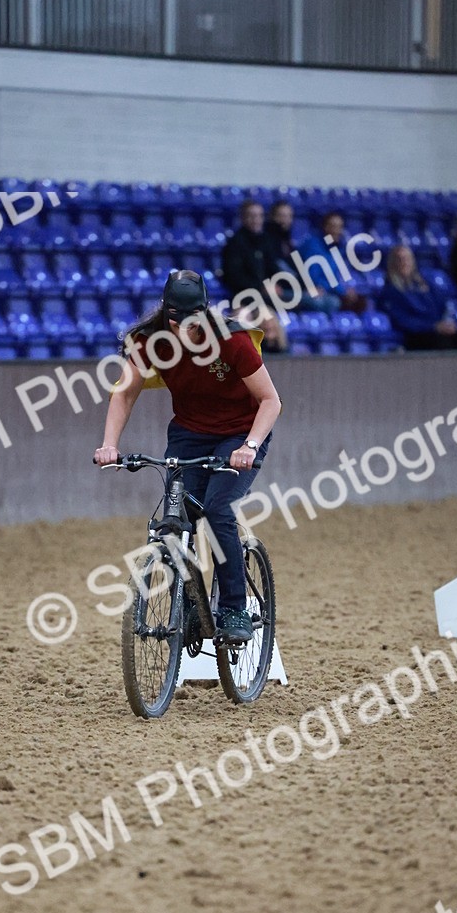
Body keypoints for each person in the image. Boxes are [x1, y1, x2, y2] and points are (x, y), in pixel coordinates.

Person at [94, 270, 282, 643]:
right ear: (166, 313)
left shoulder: (231, 340)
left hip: (239, 433)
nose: (184, 330)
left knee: (217, 510)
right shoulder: (150, 342)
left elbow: (270, 401)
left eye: (193, 321)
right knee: (176, 519)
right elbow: (125, 393)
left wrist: (249, 446)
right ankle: (193, 603)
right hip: (189, 435)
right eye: (177, 320)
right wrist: (109, 444)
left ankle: (233, 606)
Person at [221, 200, 287, 351]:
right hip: (242, 299)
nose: (255, 220)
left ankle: (283, 358)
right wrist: (261, 287)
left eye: (259, 216)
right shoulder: (234, 244)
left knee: (272, 325)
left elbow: (274, 269)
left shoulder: (266, 241)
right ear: (243, 218)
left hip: (265, 300)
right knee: (242, 322)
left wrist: (276, 283)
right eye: (251, 216)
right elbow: (233, 277)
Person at [380, 246, 457, 351]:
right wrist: (432, 327)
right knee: (442, 343)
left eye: (407, 259)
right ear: (393, 263)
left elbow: (441, 305)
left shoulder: (424, 286)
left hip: (434, 329)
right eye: (400, 259)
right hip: (415, 335)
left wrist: (446, 324)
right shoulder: (390, 291)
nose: (404, 263)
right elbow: (403, 320)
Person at [298, 211, 368, 315]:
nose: (337, 231)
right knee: (332, 302)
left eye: (340, 227)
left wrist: (345, 290)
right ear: (325, 228)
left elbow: (335, 278)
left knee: (361, 302)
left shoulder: (338, 249)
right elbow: (313, 278)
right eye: (333, 226)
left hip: (330, 291)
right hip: (308, 289)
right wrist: (341, 291)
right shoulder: (313, 246)